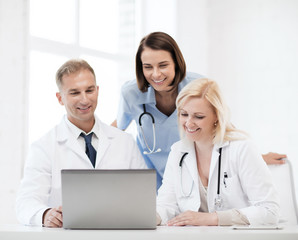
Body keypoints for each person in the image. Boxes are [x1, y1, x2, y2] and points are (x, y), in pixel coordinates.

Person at [113, 31, 286, 190]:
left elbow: (223, 127)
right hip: (150, 178)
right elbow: (116, 131)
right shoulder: (131, 93)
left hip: (193, 174)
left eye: (163, 65)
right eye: (148, 67)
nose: (156, 74)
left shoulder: (198, 85)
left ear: (176, 63)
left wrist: (255, 157)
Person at [16, 59, 147, 228]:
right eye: (74, 93)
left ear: (97, 91)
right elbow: (26, 201)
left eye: (89, 90)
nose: (84, 100)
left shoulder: (124, 142)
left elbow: (145, 196)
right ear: (60, 98)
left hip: (117, 234)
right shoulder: (43, 147)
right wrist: (45, 214)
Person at [156, 78, 280, 226]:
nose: (188, 123)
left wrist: (212, 218)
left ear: (216, 116)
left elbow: (269, 211)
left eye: (198, 116)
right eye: (184, 114)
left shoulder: (241, 148)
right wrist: (153, 217)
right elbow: (166, 204)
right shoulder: (178, 151)